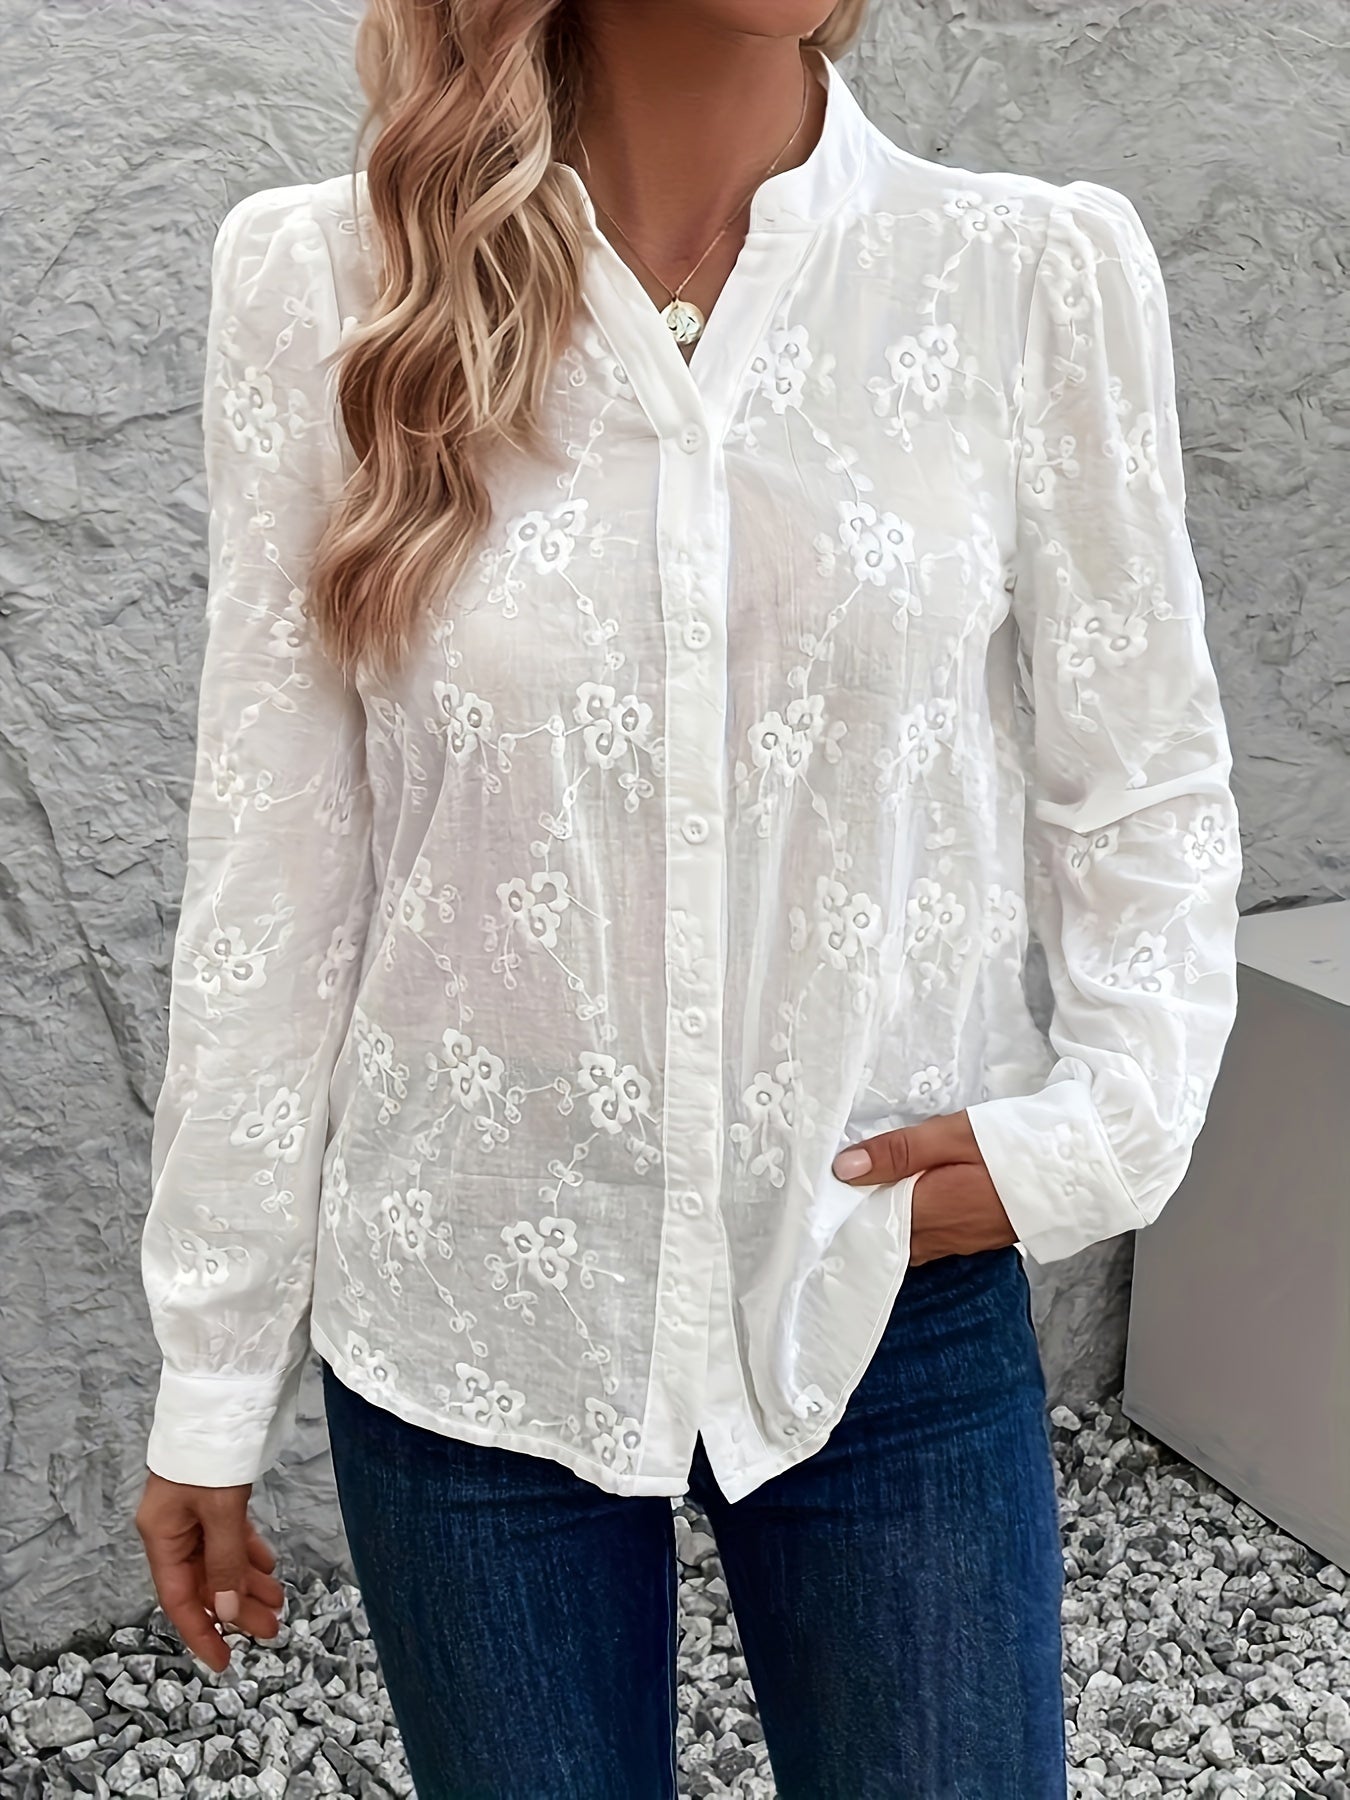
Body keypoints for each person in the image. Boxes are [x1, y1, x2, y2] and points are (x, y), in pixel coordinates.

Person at [133, 1, 1243, 1794]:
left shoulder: (1025, 274)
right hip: (477, 1298)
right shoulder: (324, 279)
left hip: (880, 1277)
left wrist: (1096, 1142)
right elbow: (277, 857)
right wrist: (211, 1364)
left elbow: (1142, 788)